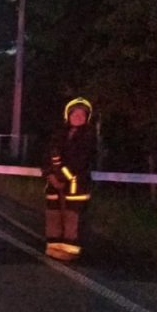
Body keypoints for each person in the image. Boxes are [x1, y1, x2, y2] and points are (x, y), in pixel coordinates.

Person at [42, 97, 97, 262]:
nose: (78, 116)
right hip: (53, 187)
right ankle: (54, 248)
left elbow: (81, 161)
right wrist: (50, 175)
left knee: (72, 219)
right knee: (54, 217)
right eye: (75, 113)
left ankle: (69, 252)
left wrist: (61, 176)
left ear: (87, 117)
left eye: (82, 114)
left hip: (76, 188)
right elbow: (46, 156)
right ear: (68, 115)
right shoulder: (58, 134)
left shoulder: (88, 137)